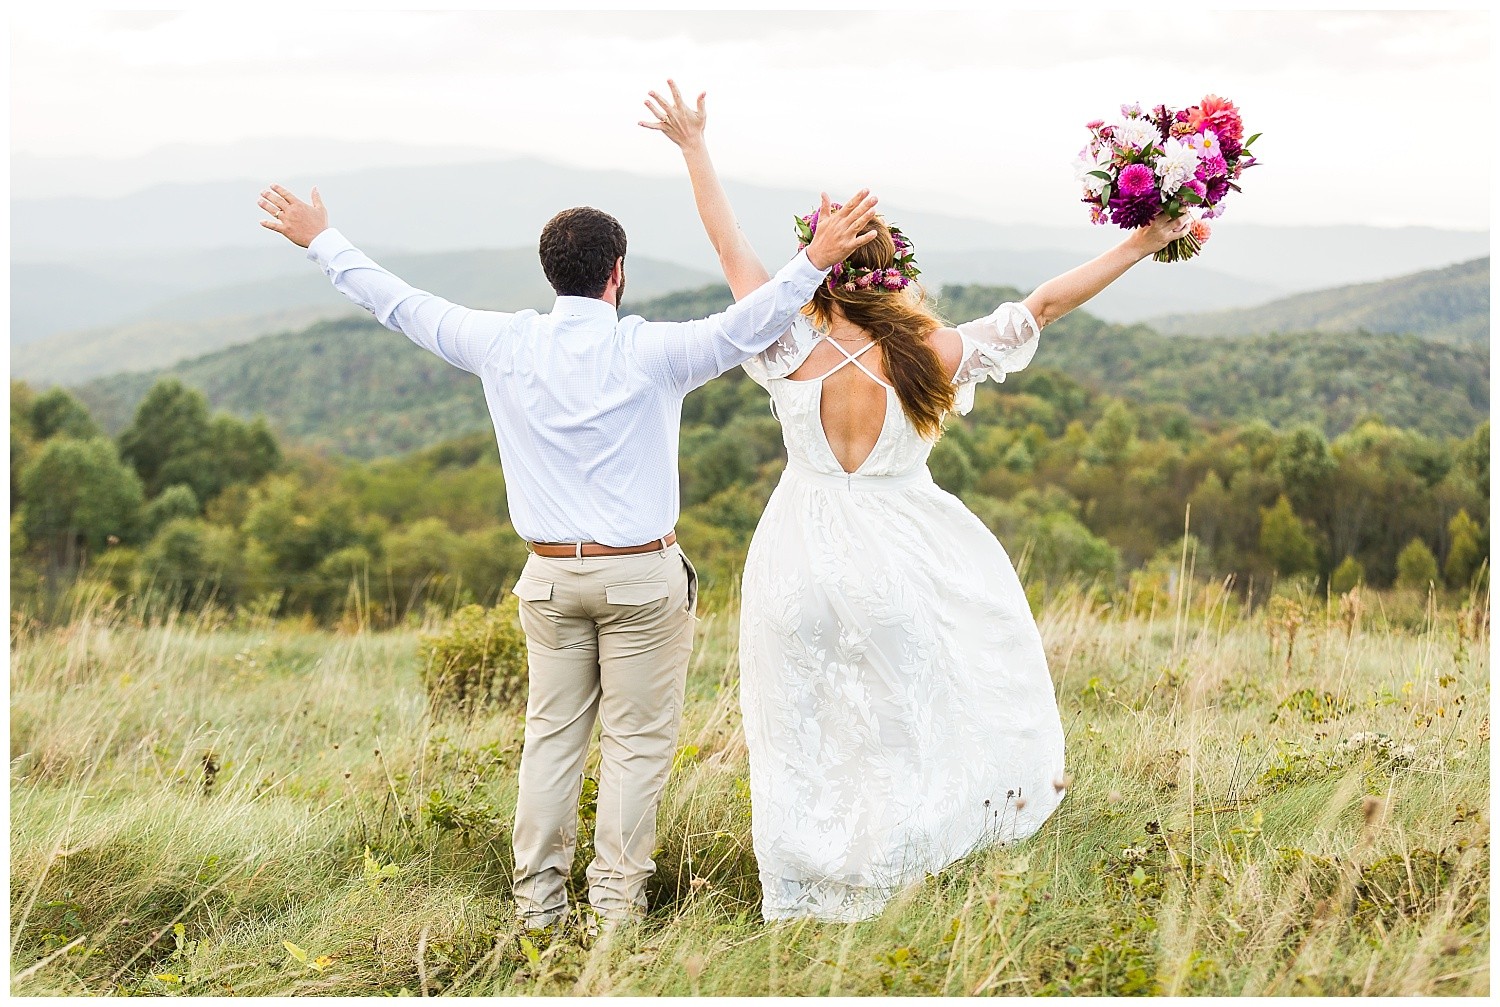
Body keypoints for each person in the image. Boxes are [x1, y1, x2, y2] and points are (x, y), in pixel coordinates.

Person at [255, 181, 882, 932]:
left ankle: (538, 910)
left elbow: (396, 302)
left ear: (552, 272)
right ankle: (614, 914)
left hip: (549, 578)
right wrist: (814, 260)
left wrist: (321, 238)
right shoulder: (653, 350)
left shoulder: (503, 343)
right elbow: (750, 325)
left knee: (551, 741)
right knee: (635, 747)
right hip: (643, 578)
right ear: (616, 271)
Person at [641, 81, 1193, 921]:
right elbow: (1044, 304)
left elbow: (729, 248)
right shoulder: (927, 354)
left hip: (797, 548)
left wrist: (693, 147)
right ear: (894, 275)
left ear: (823, 269)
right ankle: (896, 860)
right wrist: (1144, 243)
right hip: (901, 548)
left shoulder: (783, 340)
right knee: (906, 709)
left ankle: (805, 879)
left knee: (799, 720)